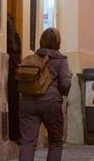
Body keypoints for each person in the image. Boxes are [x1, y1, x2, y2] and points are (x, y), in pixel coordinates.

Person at [19, 28, 73, 161]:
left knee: (28, 142)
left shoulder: (30, 58)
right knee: (55, 142)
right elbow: (65, 84)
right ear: (57, 42)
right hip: (51, 103)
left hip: (27, 101)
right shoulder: (61, 60)